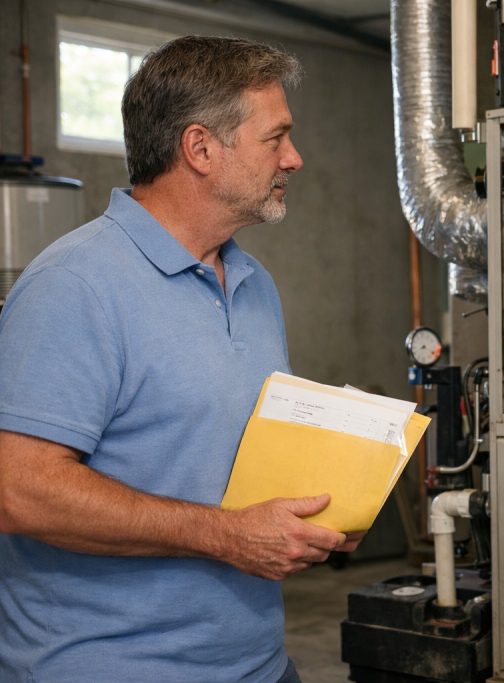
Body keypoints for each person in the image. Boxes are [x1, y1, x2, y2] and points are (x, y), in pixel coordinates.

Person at [0, 36, 361, 683]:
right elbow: (17, 489)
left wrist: (324, 517)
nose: (295, 158)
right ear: (200, 149)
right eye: (275, 138)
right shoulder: (76, 284)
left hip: (257, 663)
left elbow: (226, 460)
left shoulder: (253, 283)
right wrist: (225, 534)